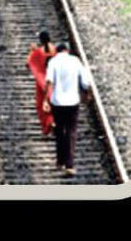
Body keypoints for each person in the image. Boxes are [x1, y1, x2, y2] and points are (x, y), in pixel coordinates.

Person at [42, 42, 92, 176]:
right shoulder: (75, 61)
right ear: (67, 50)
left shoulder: (53, 62)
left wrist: (45, 100)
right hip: (72, 102)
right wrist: (86, 94)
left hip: (57, 102)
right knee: (71, 132)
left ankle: (60, 160)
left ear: (57, 51)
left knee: (59, 131)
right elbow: (86, 82)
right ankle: (69, 165)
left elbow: (49, 82)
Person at [25, 31, 57, 135]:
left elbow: (28, 63)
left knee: (41, 105)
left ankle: (48, 123)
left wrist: (32, 51)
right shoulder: (55, 50)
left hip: (42, 82)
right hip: (54, 82)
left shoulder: (38, 52)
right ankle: (54, 121)